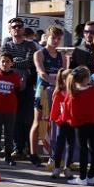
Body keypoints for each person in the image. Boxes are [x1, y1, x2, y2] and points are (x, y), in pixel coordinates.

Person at [1, 17, 39, 159]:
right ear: (10, 30)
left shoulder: (30, 45)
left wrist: (14, 62)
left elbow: (29, 62)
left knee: (27, 118)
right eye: (14, 27)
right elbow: (5, 62)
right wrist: (16, 63)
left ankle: (30, 149)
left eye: (19, 26)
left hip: (27, 85)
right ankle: (17, 148)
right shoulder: (7, 45)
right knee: (14, 119)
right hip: (11, 86)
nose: (17, 29)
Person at [30, 26, 67, 166]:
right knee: (38, 122)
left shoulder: (62, 56)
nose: (56, 41)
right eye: (53, 38)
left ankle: (53, 154)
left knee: (54, 124)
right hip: (42, 92)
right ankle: (33, 154)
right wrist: (53, 81)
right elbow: (42, 73)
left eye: (58, 38)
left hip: (56, 93)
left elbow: (64, 74)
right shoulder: (39, 54)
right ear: (47, 37)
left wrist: (60, 85)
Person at [0, 53, 22, 166]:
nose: (5, 63)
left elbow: (17, 90)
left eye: (7, 61)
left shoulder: (15, 76)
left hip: (10, 110)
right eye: (3, 61)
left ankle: (8, 156)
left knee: (9, 134)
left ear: (11, 63)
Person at [48, 69, 75, 179]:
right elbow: (55, 108)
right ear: (63, 80)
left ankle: (67, 168)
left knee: (71, 145)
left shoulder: (75, 92)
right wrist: (53, 119)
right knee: (59, 145)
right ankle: (57, 168)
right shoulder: (59, 93)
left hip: (72, 123)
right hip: (62, 122)